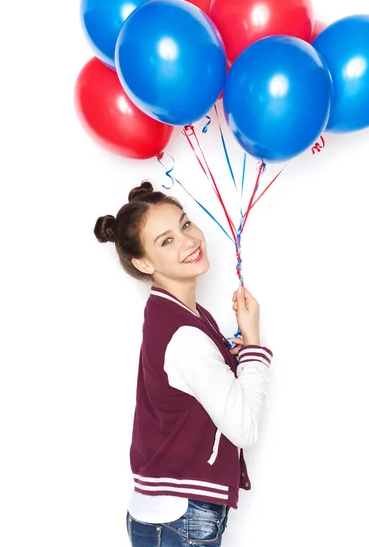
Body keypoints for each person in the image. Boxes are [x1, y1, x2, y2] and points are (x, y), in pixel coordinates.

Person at [94, 181, 273, 546]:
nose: (189, 241)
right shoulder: (185, 333)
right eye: (166, 241)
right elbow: (244, 429)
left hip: (168, 515)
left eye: (185, 224)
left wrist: (227, 358)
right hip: (182, 517)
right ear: (143, 262)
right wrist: (253, 344)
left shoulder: (177, 314)